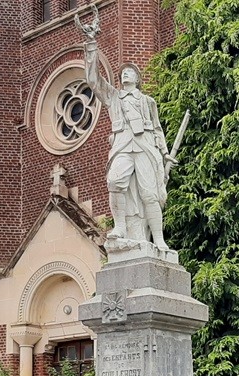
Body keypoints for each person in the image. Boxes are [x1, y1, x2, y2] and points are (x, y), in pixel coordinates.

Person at [77, 13, 173, 249]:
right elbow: (93, 81)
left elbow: (157, 129)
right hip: (122, 145)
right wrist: (91, 45)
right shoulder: (113, 97)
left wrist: (165, 151)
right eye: (122, 73)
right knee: (114, 182)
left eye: (130, 72)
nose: (125, 74)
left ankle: (159, 240)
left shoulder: (148, 101)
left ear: (138, 79)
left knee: (150, 194)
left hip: (145, 147)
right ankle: (120, 226)